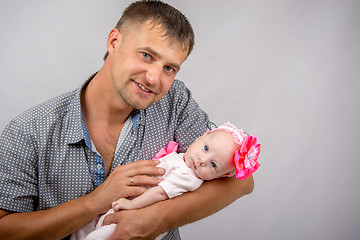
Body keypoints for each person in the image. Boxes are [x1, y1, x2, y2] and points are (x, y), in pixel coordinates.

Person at [0, 1, 254, 239]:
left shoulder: (175, 101)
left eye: (169, 68)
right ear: (114, 41)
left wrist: (154, 220)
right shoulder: (29, 131)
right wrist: (95, 201)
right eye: (146, 55)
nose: (154, 78)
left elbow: (242, 179)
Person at [71, 122, 260, 240]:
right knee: (83, 228)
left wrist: (131, 205)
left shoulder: (188, 178)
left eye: (213, 165)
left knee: (102, 235)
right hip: (125, 203)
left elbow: (159, 193)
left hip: (135, 212)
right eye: (205, 148)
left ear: (220, 176)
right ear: (202, 136)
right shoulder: (183, 158)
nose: (202, 160)